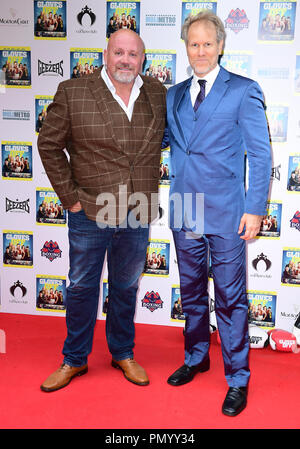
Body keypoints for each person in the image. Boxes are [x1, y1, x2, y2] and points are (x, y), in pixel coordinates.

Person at [38, 29, 166, 392]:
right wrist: (70, 198)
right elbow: (48, 145)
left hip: (137, 211)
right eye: (119, 53)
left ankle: (122, 352)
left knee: (126, 286)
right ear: (105, 55)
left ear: (143, 58)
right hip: (89, 211)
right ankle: (74, 359)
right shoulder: (73, 91)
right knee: (81, 288)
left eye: (133, 54)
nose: (126, 60)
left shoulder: (156, 93)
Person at [165, 12, 271, 416]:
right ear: (186, 48)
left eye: (208, 43)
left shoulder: (243, 90)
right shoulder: (173, 95)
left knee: (230, 299)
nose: (200, 51)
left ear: (221, 46)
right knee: (191, 291)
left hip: (228, 214)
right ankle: (196, 357)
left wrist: (255, 210)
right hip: (184, 210)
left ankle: (238, 378)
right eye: (193, 44)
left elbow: (260, 155)